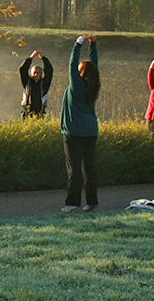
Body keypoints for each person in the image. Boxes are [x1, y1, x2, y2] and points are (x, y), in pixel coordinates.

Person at [60, 34, 100, 213]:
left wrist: (79, 42)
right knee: (90, 168)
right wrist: (93, 44)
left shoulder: (77, 86)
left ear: (82, 72)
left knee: (74, 169)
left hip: (74, 132)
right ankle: (92, 201)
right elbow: (94, 66)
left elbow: (71, 64)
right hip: (91, 132)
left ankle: (72, 203)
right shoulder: (94, 85)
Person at [19, 50, 53, 118]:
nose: (36, 74)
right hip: (27, 110)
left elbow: (49, 70)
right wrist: (31, 58)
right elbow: (22, 69)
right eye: (34, 73)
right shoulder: (27, 82)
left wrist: (43, 58)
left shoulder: (44, 83)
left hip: (40, 111)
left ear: (41, 74)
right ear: (32, 73)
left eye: (38, 73)